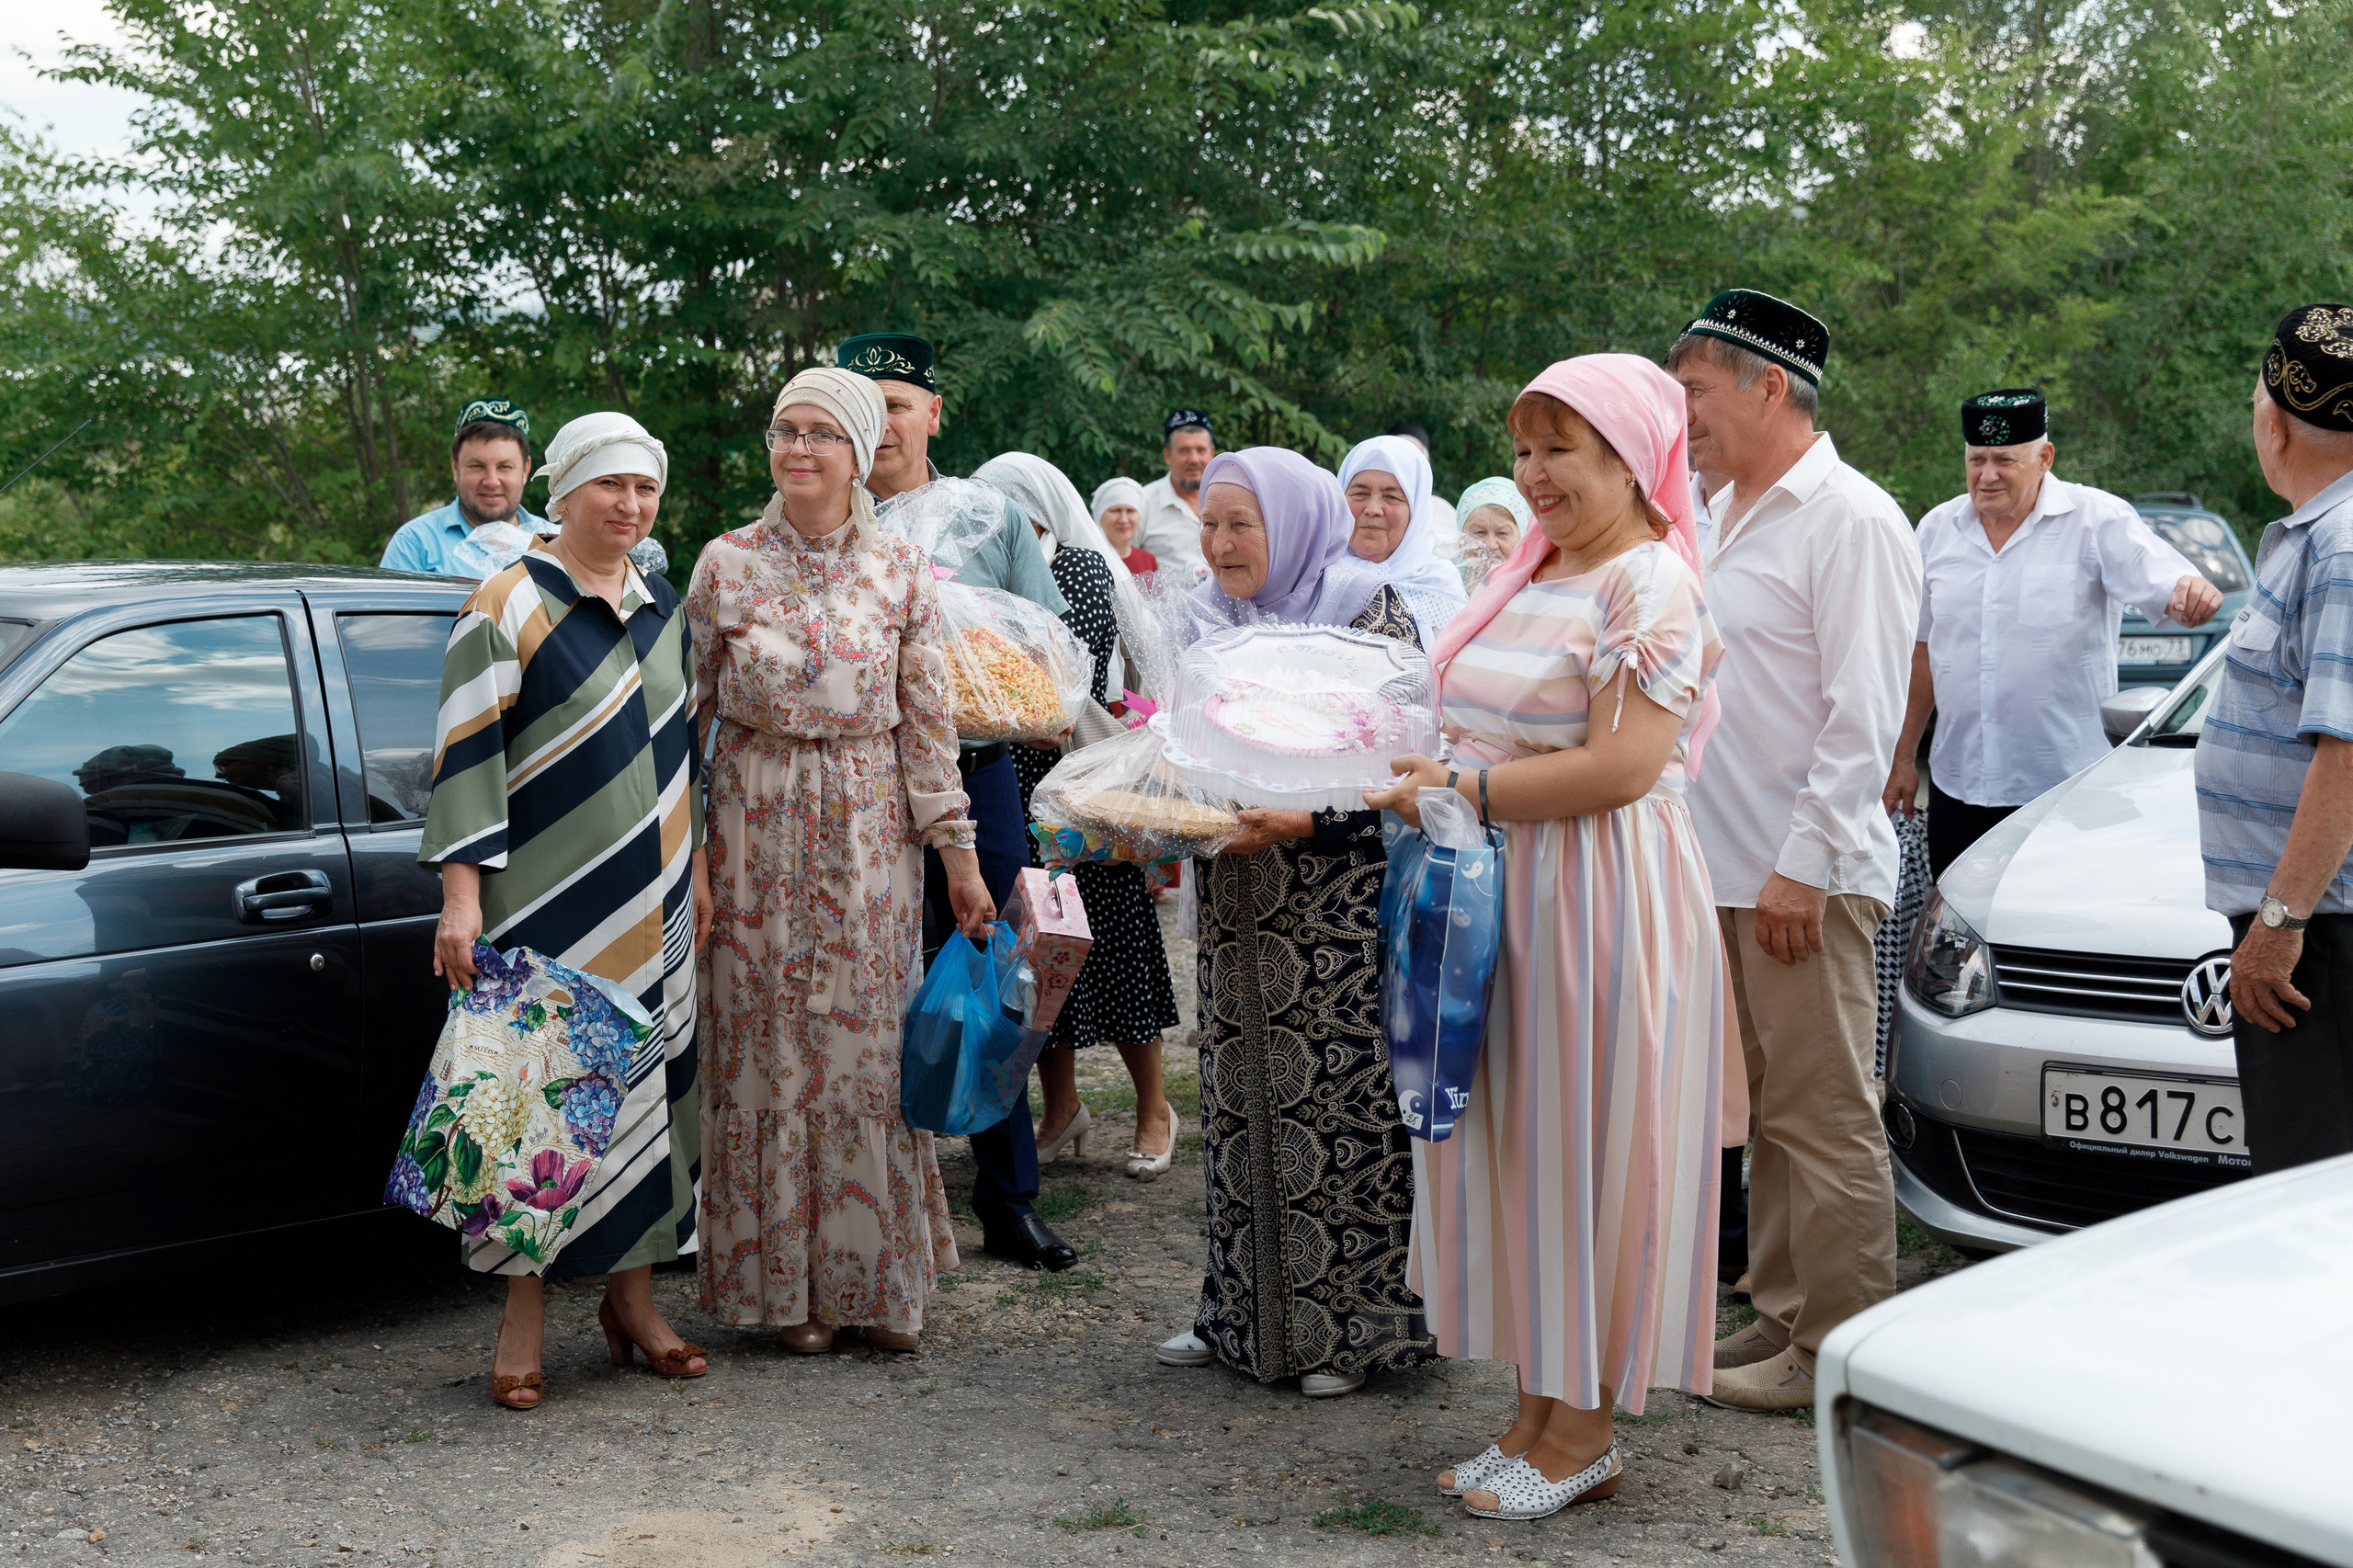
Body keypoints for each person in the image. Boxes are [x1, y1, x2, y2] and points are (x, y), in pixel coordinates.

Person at [1369, 355, 1733, 1521]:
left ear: (1631, 459)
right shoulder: (1526, 569)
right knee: (1520, 1139)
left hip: (1598, 897)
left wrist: (1460, 786)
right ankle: (1536, 1406)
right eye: (1523, 449)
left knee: (1586, 1140)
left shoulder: (1648, 583)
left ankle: (1582, 1428)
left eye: (1558, 449)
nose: (1532, 475)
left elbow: (1625, 766)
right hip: (1499, 889)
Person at [688, 367, 993, 1355]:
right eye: (784, 428)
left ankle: (878, 1286)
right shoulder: (723, 566)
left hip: (869, 837)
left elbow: (928, 724)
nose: (800, 448)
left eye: (823, 431)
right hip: (751, 834)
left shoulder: (901, 568)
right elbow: (682, 723)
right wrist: (687, 853)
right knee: (769, 1053)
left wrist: (959, 856)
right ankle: (791, 1294)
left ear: (861, 452)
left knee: (864, 1051)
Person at [419, 409, 711, 1409]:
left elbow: (682, 750)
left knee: (650, 1094)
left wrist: (699, 870)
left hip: (660, 894)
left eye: (645, 490)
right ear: (567, 489)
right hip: (544, 901)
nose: (630, 506)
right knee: (536, 1105)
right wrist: (461, 900)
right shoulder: (505, 602)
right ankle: (522, 1314)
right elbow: (465, 760)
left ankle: (632, 1303)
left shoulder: (663, 604)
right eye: (610, 487)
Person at [1667, 290, 1921, 1412]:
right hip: (1727, 864)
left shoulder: (1852, 517)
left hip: (1799, 875)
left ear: (1770, 386)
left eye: (1696, 392)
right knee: (1768, 1111)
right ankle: (1782, 1317)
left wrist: (1801, 865)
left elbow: (1862, 717)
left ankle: (1842, 1354)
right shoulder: (1720, 511)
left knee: (1824, 1118)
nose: (1684, 418)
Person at [1152, 446, 1434, 1399]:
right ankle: (1239, 1313)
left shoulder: (1366, 611)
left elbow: (1407, 771)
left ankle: (1349, 1335)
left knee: (1341, 1108)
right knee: (1238, 1107)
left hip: (1338, 908)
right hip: (1237, 899)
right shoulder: (1203, 618)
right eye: (1210, 523)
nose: (1220, 543)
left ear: (1296, 523)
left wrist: (1307, 820)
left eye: (1242, 524)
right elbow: (1179, 742)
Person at [839, 331, 1080, 1272]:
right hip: (857, 781)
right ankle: (874, 1195)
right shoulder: (819, 521)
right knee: (862, 979)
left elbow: (1052, 652)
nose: (884, 422)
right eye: (866, 406)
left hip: (976, 774)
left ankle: (1008, 1194)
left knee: (991, 966)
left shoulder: (989, 518)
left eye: (898, 402)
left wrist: (973, 661)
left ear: (934, 413)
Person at [1886, 390, 2221, 879]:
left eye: (2004, 460)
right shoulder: (1937, 530)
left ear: (2044, 458)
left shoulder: (2096, 520)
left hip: (2069, 793)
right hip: (1959, 788)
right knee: (1954, 943)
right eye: (1976, 459)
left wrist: (2192, 594)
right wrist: (1901, 759)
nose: (1987, 475)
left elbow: (2172, 587)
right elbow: (1921, 654)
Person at [975, 452, 1183, 1181]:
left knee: (1117, 936)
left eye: (1008, 512)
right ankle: (1061, 1109)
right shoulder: (990, 567)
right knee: (1041, 949)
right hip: (1014, 778)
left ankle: (1154, 1107)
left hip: (1077, 779)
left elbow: (1069, 676)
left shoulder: (1082, 572)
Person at [2198, 303, 2353, 1175]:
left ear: (2274, 419)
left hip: (2323, 934)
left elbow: (2348, 755)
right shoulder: (2318, 536)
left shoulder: (2342, 545)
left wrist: (2280, 923)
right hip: (2315, 927)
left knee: (2313, 1192)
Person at [381, 399, 553, 574]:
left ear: (525, 470)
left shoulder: (558, 543)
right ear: (456, 468)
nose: (492, 481)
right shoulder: (415, 545)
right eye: (477, 466)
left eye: (505, 467)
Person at [1338, 434, 1470, 639]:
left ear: (1416, 512)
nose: (1373, 509)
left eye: (1392, 497)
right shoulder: (1315, 574)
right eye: (1359, 494)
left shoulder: (1439, 586)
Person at [1137, 410, 1216, 584]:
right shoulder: (1141, 504)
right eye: (1184, 451)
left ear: (1212, 453)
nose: (1194, 459)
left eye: (1201, 450)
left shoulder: (1230, 501)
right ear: (1167, 455)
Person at [1385, 422, 1461, 541]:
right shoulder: (1368, 507)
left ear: (1427, 464)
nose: (1405, 465)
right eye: (1398, 457)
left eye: (1414, 459)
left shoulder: (1444, 512)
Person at [1090, 475, 1156, 576]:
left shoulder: (1148, 560)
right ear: (1100, 517)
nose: (1123, 520)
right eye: (1115, 511)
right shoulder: (1089, 561)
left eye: (1131, 511)